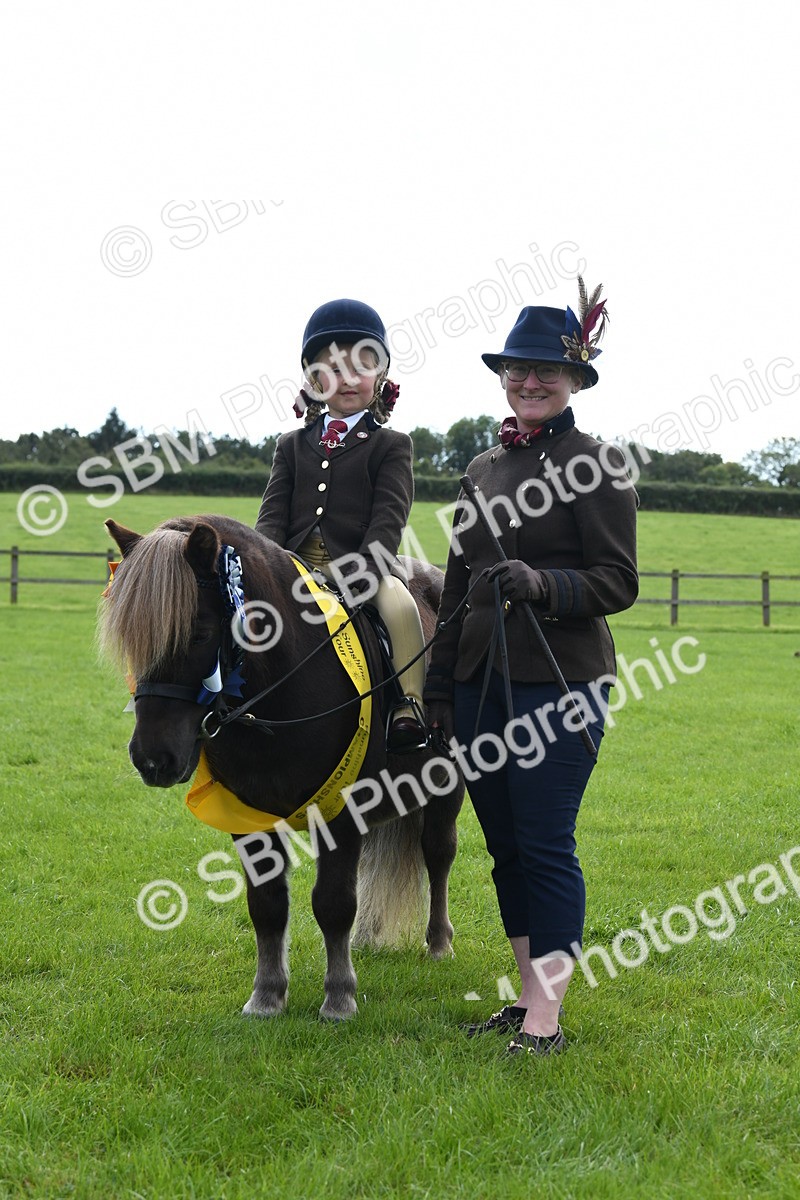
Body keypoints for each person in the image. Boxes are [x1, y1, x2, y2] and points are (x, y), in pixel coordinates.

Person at [424, 280, 638, 1055]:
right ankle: (524, 999)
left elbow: (619, 582)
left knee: (545, 842)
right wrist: (440, 689)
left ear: (575, 378)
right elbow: (454, 588)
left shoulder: (598, 464)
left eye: (547, 370)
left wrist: (544, 584)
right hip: (480, 682)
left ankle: (547, 1019)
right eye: (517, 368)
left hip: (561, 681)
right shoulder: (481, 468)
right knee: (506, 845)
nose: (529, 381)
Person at [256, 297, 428, 753]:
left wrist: (355, 575)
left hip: (363, 567)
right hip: (293, 567)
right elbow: (271, 518)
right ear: (314, 379)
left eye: (361, 367)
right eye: (333, 368)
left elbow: (388, 522)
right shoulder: (291, 445)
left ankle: (410, 704)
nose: (347, 379)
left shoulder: (392, 445)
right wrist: (266, 569)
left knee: (400, 606)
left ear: (381, 376)